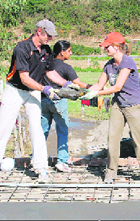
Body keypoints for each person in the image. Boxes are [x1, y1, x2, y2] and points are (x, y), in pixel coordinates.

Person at [0, 19, 79, 181]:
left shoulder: (46, 50)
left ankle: (41, 168)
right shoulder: (22, 48)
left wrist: (66, 84)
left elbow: (50, 73)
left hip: (33, 91)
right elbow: (24, 78)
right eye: (48, 35)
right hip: (15, 90)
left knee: (37, 129)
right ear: (39, 31)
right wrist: (45, 89)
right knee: (3, 127)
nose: (50, 39)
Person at [79, 32, 140, 184]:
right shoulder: (109, 65)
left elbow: (117, 86)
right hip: (118, 105)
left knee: (138, 140)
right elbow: (99, 85)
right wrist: (86, 93)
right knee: (113, 139)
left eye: (107, 47)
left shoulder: (127, 62)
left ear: (116, 46)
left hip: (134, 105)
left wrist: (97, 93)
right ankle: (111, 173)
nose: (105, 49)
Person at [41, 40, 90, 172]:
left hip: (43, 100)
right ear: (62, 52)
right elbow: (78, 83)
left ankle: (38, 159)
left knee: (41, 132)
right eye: (69, 50)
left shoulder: (45, 63)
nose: (71, 53)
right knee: (62, 131)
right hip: (59, 101)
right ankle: (62, 161)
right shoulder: (66, 68)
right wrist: (92, 88)